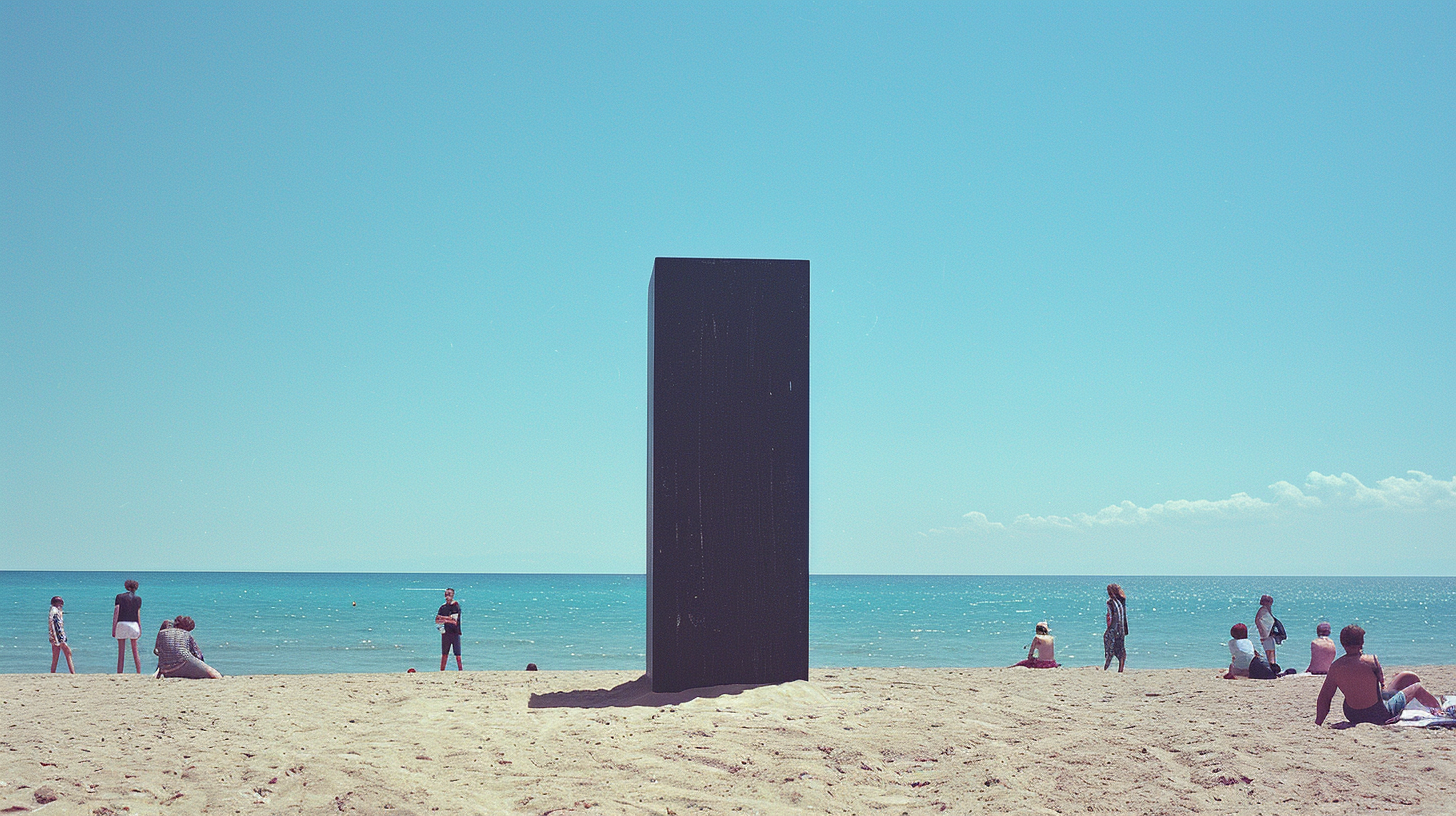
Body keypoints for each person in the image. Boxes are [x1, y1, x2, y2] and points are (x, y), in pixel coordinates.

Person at [1315, 624, 1441, 726]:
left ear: (1342, 643)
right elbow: (1381, 685)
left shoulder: (1335, 666)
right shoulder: (1371, 660)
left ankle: (1404, 682)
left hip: (1352, 714)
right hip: (1379, 714)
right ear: (1362, 642)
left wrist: (1318, 722)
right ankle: (1440, 711)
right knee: (1417, 687)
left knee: (1406, 676)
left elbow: (1324, 698)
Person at [154, 616, 221, 679]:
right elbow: (198, 653)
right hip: (183, 660)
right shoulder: (185, 634)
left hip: (166, 669)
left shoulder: (162, 632)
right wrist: (200, 664)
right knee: (214, 674)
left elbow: (157, 650)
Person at [113, 579, 143, 673]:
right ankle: (138, 672)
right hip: (134, 625)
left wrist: (113, 628)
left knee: (121, 652)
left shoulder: (119, 597)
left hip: (121, 623)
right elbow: (138, 614)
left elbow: (116, 612)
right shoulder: (138, 599)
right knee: (135, 651)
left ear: (126, 586)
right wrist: (140, 628)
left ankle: (119, 672)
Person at [436, 587, 463, 671]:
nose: (447, 596)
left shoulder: (455, 606)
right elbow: (437, 620)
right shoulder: (443, 607)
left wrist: (443, 618)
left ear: (453, 595)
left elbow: (454, 621)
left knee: (457, 655)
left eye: (449, 594)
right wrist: (448, 619)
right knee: (444, 654)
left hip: (455, 633)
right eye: (446, 594)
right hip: (446, 633)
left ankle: (461, 671)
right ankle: (442, 671)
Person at [1103, 584, 1128, 672]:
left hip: (1114, 628)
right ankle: (1120, 668)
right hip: (1122, 628)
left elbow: (1110, 616)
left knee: (1109, 644)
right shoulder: (1122, 600)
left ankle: (1107, 664)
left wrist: (1108, 628)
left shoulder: (1110, 602)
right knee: (1121, 648)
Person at [49, 596, 75, 674]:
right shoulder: (55, 612)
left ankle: (52, 672)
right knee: (68, 652)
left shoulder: (53, 611)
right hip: (58, 637)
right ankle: (73, 673)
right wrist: (61, 639)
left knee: (55, 656)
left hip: (54, 637)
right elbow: (57, 626)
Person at [1254, 594, 1277, 667]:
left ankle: (1273, 665)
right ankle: (1270, 665)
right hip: (1266, 634)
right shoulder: (1263, 610)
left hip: (1268, 633)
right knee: (1268, 650)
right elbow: (1258, 621)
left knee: (1271, 650)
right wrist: (1262, 631)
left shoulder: (1267, 609)